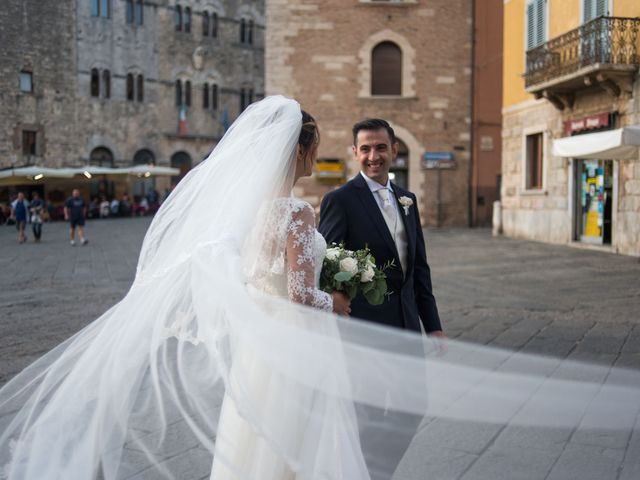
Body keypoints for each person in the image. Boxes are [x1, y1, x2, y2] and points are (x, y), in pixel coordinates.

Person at [319, 118, 444, 479]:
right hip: (364, 329)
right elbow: (328, 262)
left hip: (406, 326)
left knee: (413, 405)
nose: (374, 156)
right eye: (366, 149)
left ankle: (373, 471)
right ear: (355, 153)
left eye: (380, 148)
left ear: (394, 150)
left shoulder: (408, 199)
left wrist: (432, 325)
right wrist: (338, 298)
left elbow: (418, 267)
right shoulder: (340, 200)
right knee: (369, 412)